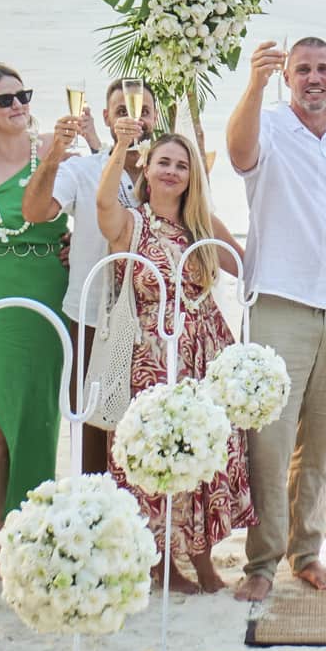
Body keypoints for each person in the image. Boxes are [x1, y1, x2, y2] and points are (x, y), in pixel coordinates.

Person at [223, 37, 326, 603]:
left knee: (320, 441)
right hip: (278, 299)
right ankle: (261, 561)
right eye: (302, 71)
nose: (313, 79)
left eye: (322, 70)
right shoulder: (265, 125)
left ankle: (307, 553)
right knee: (269, 439)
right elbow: (237, 153)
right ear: (288, 77)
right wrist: (253, 83)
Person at [99, 119, 253, 592]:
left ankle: (203, 561)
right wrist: (123, 143)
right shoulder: (132, 222)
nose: (171, 172)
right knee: (156, 454)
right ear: (145, 169)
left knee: (203, 456)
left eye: (182, 165)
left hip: (204, 354)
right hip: (150, 356)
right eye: (163, 162)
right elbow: (104, 203)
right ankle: (157, 562)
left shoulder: (196, 225)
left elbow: (239, 260)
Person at [0, 63, 74, 572]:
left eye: (22, 95)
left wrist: (78, 244)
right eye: (4, 100)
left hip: (49, 289)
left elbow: (93, 200)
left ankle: (38, 531)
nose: (17, 105)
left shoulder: (54, 146)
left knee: (41, 419)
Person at [25, 79, 161, 477]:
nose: (132, 120)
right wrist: (53, 156)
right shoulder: (83, 170)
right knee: (91, 438)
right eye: (122, 112)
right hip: (91, 319)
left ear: (155, 118)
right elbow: (34, 211)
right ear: (106, 118)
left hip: (154, 323)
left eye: (142, 112)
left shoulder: (168, 167)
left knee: (150, 437)